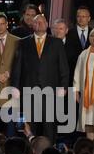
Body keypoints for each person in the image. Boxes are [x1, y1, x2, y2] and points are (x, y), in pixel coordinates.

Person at [11, 14, 69, 143]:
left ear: (47, 24)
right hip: (29, 91)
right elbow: (17, 66)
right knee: (29, 126)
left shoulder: (56, 42)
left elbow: (63, 67)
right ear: (32, 25)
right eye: (36, 22)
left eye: (42, 22)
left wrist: (64, 86)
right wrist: (15, 87)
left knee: (49, 127)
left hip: (50, 91)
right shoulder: (23, 42)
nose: (40, 24)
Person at [66, 6, 91, 74]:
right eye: (78, 16)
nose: (80, 19)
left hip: (90, 72)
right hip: (72, 72)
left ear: (89, 18)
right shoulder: (68, 34)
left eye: (83, 16)